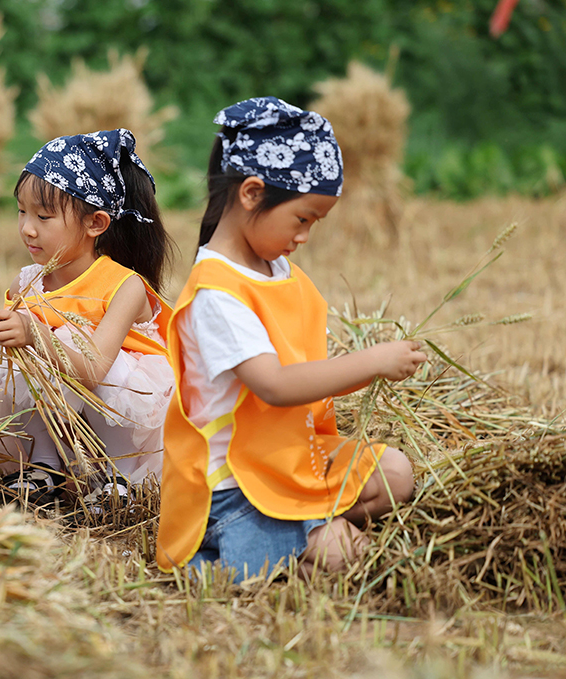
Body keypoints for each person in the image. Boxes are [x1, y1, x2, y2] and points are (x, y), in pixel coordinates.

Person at [156, 98, 425, 580]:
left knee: (397, 475)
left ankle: (310, 532)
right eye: (303, 218)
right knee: (349, 556)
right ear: (252, 193)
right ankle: (268, 550)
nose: (304, 236)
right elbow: (276, 385)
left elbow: (304, 374)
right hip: (236, 486)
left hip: (291, 458)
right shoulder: (216, 293)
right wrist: (371, 362)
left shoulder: (277, 271)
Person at [0, 129, 175, 515]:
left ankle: (114, 476)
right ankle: (43, 468)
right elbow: (0, 342)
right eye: (21, 211)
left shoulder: (125, 285)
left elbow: (95, 369)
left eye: (44, 216)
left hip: (126, 413)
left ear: (96, 224)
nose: (27, 228)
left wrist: (34, 332)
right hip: (67, 413)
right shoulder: (28, 281)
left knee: (60, 337)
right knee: (21, 356)